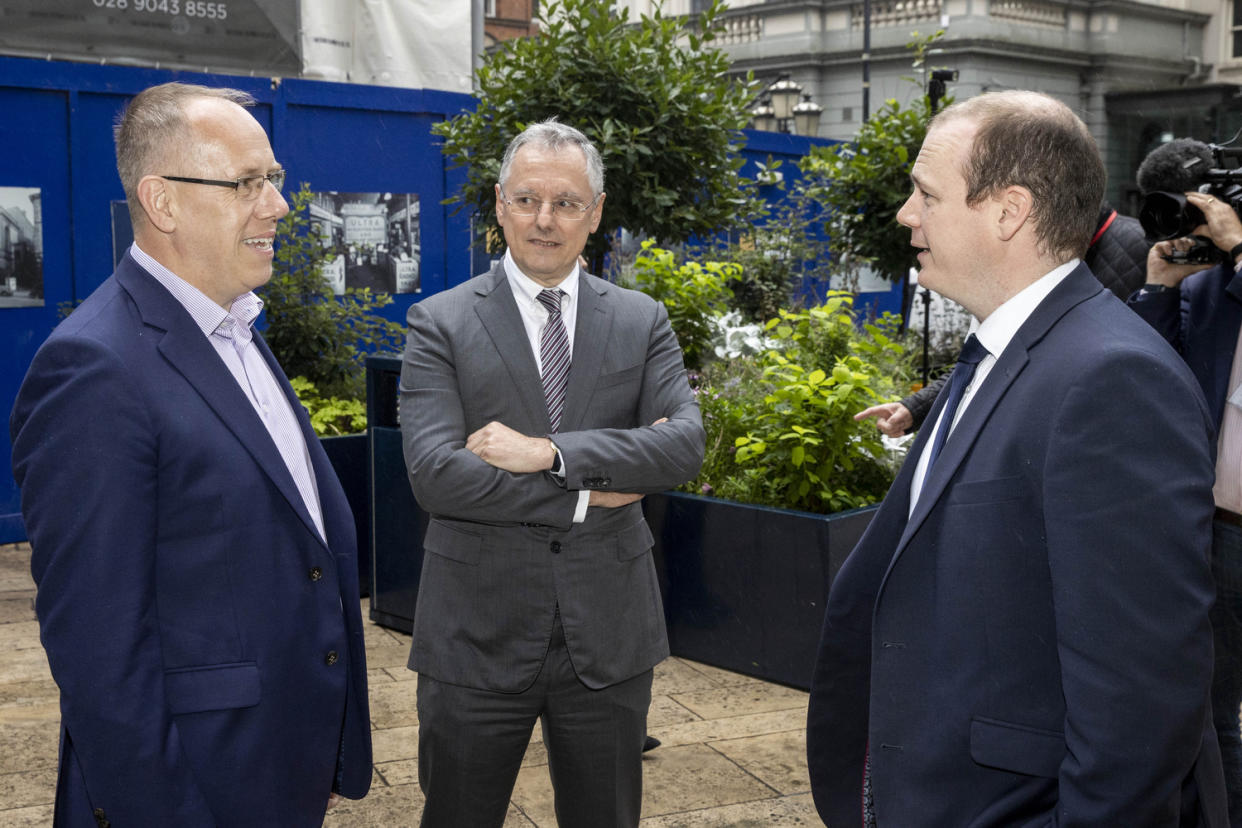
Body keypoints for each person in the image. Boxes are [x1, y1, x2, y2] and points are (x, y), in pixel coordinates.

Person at [806, 90, 1226, 826]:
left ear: (1009, 211)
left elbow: (1138, 704)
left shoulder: (1113, 380)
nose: (907, 213)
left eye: (926, 193)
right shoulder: (1005, 353)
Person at [9, 82, 372, 826]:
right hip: (194, 789)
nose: (277, 205)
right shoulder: (94, 369)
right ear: (163, 201)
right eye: (247, 183)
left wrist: (326, 744)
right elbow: (100, 654)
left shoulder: (235, 328)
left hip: (280, 763)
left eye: (272, 179)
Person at [398, 119, 704, 827]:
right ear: (500, 203)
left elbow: (684, 446)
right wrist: (594, 488)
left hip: (610, 635)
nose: (545, 219)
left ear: (595, 213)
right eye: (528, 199)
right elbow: (436, 476)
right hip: (476, 634)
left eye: (567, 202)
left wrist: (551, 454)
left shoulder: (642, 319)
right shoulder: (438, 323)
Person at [1129, 187, 1242, 826]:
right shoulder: (1210, 291)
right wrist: (1160, 286)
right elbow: (1148, 372)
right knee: (1213, 708)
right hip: (1220, 532)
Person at [858, 200, 1150, 437]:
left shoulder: (1132, 247)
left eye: (931, 197)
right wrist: (916, 408)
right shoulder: (1039, 258)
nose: (907, 215)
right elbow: (992, 354)